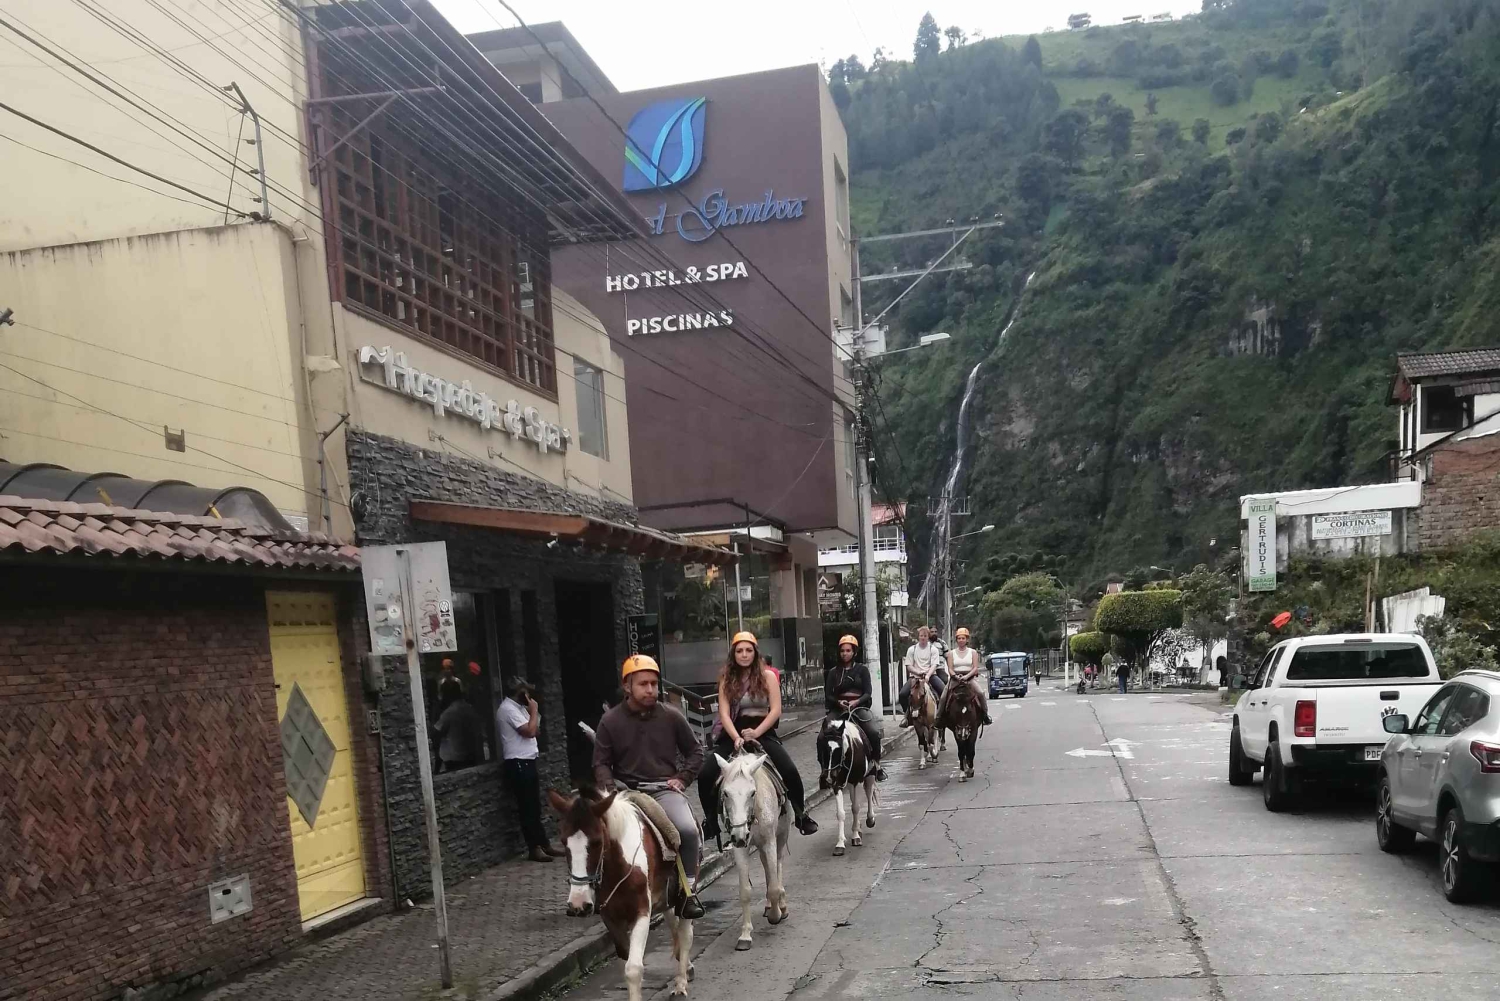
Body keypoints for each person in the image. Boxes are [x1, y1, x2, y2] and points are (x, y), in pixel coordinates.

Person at [592, 654, 706, 919]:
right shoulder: (610, 721)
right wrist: (609, 790)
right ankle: (592, 891)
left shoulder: (672, 716)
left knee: (688, 831)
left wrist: (683, 778)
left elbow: (696, 752)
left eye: (654, 683)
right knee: (590, 836)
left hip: (663, 790)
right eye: (643, 683)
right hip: (625, 793)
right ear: (627, 686)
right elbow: (601, 762)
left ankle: (688, 892)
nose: (650, 689)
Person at [698, 632, 818, 839]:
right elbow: (724, 714)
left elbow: (776, 710)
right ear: (733, 654)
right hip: (734, 733)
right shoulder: (727, 679)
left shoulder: (768, 676)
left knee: (789, 769)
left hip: (762, 731)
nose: (744, 655)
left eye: (748, 650)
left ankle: (801, 814)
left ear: (755, 653)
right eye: (739, 651)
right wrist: (736, 737)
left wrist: (756, 732)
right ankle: (711, 822)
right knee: (705, 774)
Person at [496, 679, 563, 863]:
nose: (529, 697)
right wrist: (533, 711)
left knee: (535, 806)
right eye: (526, 693)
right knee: (527, 807)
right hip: (518, 762)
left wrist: (534, 712)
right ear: (520, 692)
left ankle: (544, 843)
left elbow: (537, 729)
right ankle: (533, 848)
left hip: (529, 760)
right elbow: (529, 731)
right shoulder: (508, 709)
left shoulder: (519, 709)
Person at [821, 634, 886, 783]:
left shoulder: (862, 670)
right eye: (842, 650)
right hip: (839, 710)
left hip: (858, 709)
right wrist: (839, 702)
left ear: (854, 652)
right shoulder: (833, 672)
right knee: (822, 736)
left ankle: (877, 765)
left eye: (848, 650)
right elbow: (828, 695)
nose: (845, 653)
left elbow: (868, 692)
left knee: (874, 732)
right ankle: (825, 770)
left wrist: (856, 702)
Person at [939, 627, 992, 725]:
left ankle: (985, 715)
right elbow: (950, 668)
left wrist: (966, 677)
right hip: (955, 679)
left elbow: (975, 668)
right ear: (956, 640)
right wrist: (955, 676)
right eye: (959, 638)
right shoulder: (951, 653)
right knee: (943, 697)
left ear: (967, 639)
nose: (961, 640)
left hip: (969, 678)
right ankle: (939, 718)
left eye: (963, 638)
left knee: (980, 693)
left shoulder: (973, 652)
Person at [432, 676, 484, 773]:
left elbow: (436, 733)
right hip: (471, 756)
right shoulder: (469, 708)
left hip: (455, 760)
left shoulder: (450, 712)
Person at [898, 625, 946, 723]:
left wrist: (928, 675)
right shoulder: (912, 649)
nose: (923, 638)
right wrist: (918, 672)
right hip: (915, 677)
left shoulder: (933, 649)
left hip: (931, 676)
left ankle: (942, 716)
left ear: (928, 637)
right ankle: (907, 715)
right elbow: (908, 666)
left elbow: (934, 665)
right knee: (903, 694)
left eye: (925, 636)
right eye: (921, 636)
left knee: (944, 692)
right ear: (918, 637)